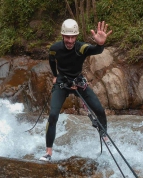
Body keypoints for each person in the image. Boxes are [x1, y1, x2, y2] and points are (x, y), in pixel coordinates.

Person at [39, 19, 112, 161]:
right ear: (62, 35)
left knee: (99, 110)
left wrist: (100, 44)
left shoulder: (81, 48)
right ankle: (48, 152)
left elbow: (96, 50)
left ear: (76, 37)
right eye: (67, 37)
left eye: (73, 37)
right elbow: (51, 61)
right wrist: (55, 75)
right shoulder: (54, 49)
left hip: (78, 82)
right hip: (62, 83)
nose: (70, 40)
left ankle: (104, 136)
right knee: (53, 115)